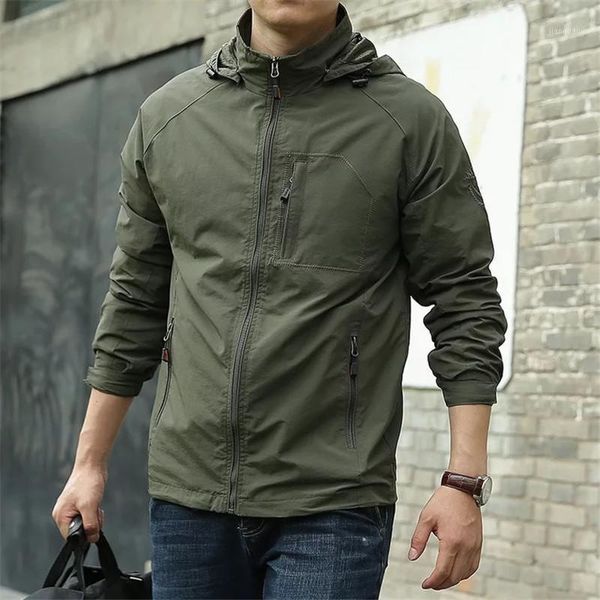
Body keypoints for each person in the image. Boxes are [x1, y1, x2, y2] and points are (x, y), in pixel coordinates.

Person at [52, 1, 508, 598]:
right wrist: (89, 463)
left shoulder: (408, 121)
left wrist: (464, 480)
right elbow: (135, 299)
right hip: (189, 501)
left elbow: (465, 298)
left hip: (332, 504)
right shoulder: (169, 117)